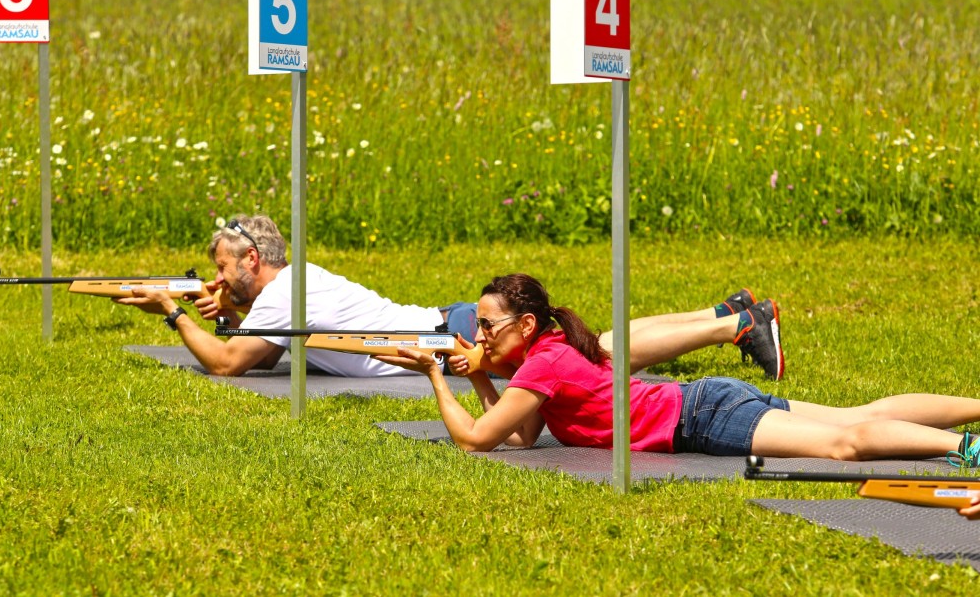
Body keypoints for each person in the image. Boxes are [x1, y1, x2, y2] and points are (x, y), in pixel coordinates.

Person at [374, 273, 980, 472]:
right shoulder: (550, 352)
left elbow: (478, 440)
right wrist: (479, 374)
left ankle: (964, 446)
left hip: (702, 417)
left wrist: (434, 373)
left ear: (524, 328)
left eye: (487, 328)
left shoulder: (547, 362)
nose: (480, 337)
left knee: (846, 443)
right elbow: (523, 434)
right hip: (704, 402)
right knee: (862, 416)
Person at [114, 214, 783, 379]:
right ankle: (726, 312)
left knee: (598, 356)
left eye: (223, 268)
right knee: (594, 340)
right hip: (450, 323)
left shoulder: (284, 294)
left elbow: (231, 364)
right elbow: (257, 347)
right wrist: (228, 313)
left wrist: (170, 311)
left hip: (455, 335)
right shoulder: (290, 286)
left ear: (252, 261)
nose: (216, 278)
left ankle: (732, 329)